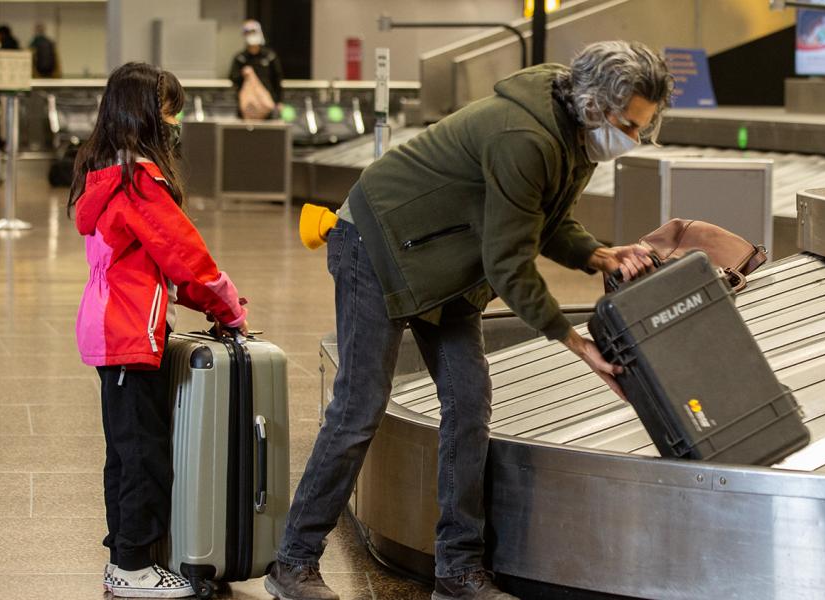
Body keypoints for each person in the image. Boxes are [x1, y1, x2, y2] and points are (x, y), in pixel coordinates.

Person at [267, 41, 672, 600]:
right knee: (359, 406)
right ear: (597, 105)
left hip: (449, 260)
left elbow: (545, 220)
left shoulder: (573, 137)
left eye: (644, 129)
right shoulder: (524, 136)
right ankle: (292, 563)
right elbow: (509, 262)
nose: (634, 139)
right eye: (631, 125)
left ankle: (458, 572)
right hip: (377, 243)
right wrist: (574, 342)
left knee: (468, 403)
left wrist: (597, 254)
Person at [69, 62, 249, 598]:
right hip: (127, 331)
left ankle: (125, 555)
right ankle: (131, 567)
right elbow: (187, 259)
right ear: (145, 114)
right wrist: (229, 307)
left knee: (125, 450)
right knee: (143, 452)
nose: (175, 121)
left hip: (108, 326)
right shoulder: (140, 183)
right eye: (170, 109)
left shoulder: (103, 173)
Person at [229, 19, 283, 118]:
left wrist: (279, 101)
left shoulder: (270, 56)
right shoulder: (240, 58)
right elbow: (234, 78)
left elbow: (277, 80)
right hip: (247, 105)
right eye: (247, 32)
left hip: (267, 104)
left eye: (253, 32)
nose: (251, 35)